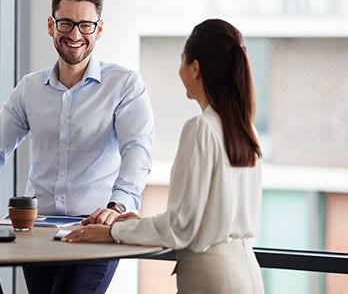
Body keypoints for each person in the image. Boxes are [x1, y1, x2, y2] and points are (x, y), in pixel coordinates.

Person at [0, 0, 154, 294]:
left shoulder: (124, 86)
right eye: (66, 23)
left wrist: (116, 208)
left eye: (86, 25)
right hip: (37, 232)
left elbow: (138, 152)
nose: (75, 35)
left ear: (99, 30)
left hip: (93, 231)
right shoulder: (30, 89)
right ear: (51, 26)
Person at [65, 19, 265, 293]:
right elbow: (194, 219)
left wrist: (113, 232)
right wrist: (141, 224)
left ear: (195, 68)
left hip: (211, 278)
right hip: (246, 273)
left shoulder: (201, 128)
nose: (179, 68)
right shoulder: (245, 130)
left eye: (182, 59)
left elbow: (180, 228)